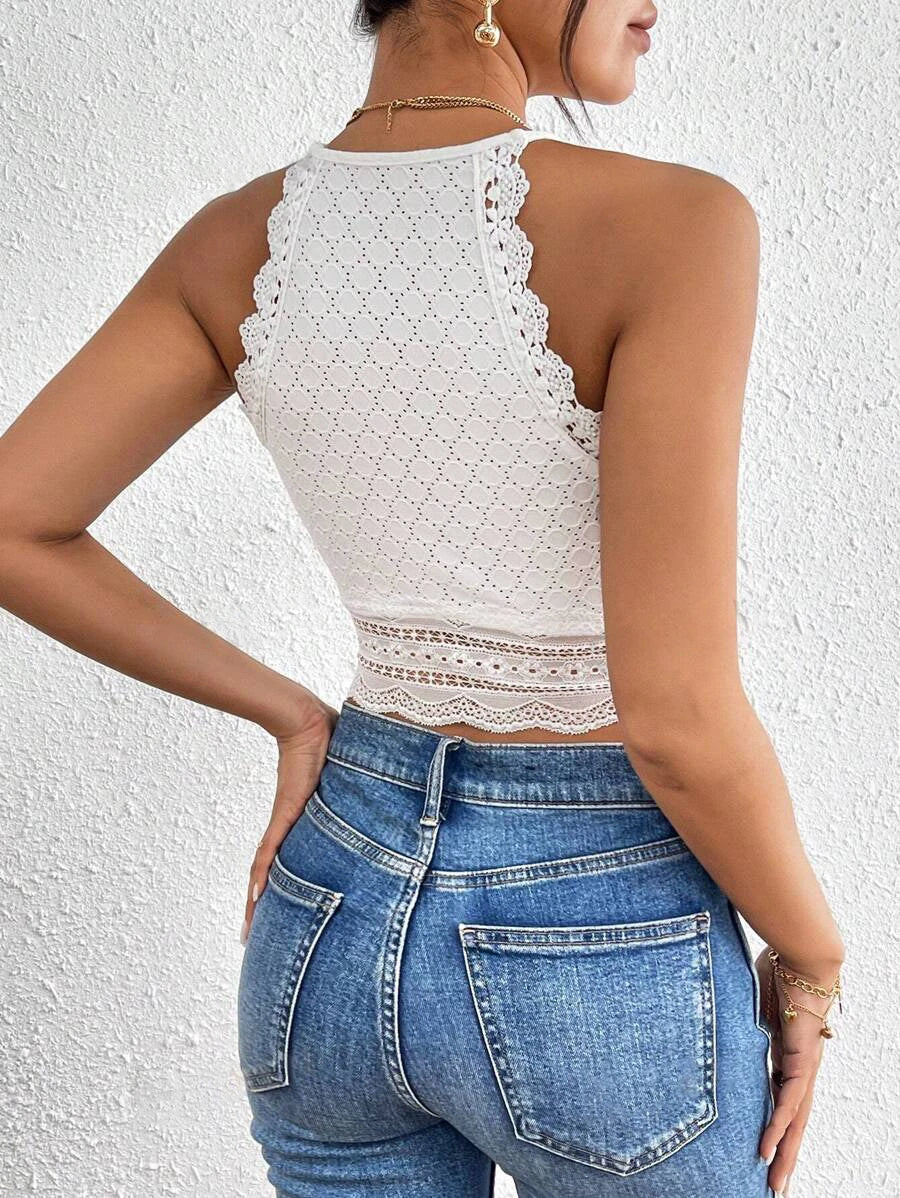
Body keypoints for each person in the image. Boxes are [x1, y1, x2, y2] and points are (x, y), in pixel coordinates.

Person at [0, 0, 846, 1195]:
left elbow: (14, 520)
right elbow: (677, 717)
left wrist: (296, 714)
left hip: (329, 909)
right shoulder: (677, 224)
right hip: (592, 931)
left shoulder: (231, 242)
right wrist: (811, 954)